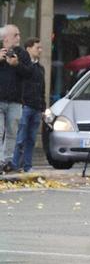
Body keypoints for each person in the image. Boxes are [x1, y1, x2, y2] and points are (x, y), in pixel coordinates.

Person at [12, 38, 46, 172]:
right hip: (25, 105)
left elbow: (42, 88)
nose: (40, 50)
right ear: (28, 49)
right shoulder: (22, 66)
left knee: (31, 139)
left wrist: (43, 107)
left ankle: (27, 165)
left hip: (36, 107)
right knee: (20, 138)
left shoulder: (40, 68)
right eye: (37, 48)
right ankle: (15, 164)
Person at [0, 25, 24, 173]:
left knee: (12, 133)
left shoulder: (22, 54)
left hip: (15, 101)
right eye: (15, 35)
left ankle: (7, 161)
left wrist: (17, 65)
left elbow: (30, 74)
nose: (18, 38)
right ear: (5, 38)